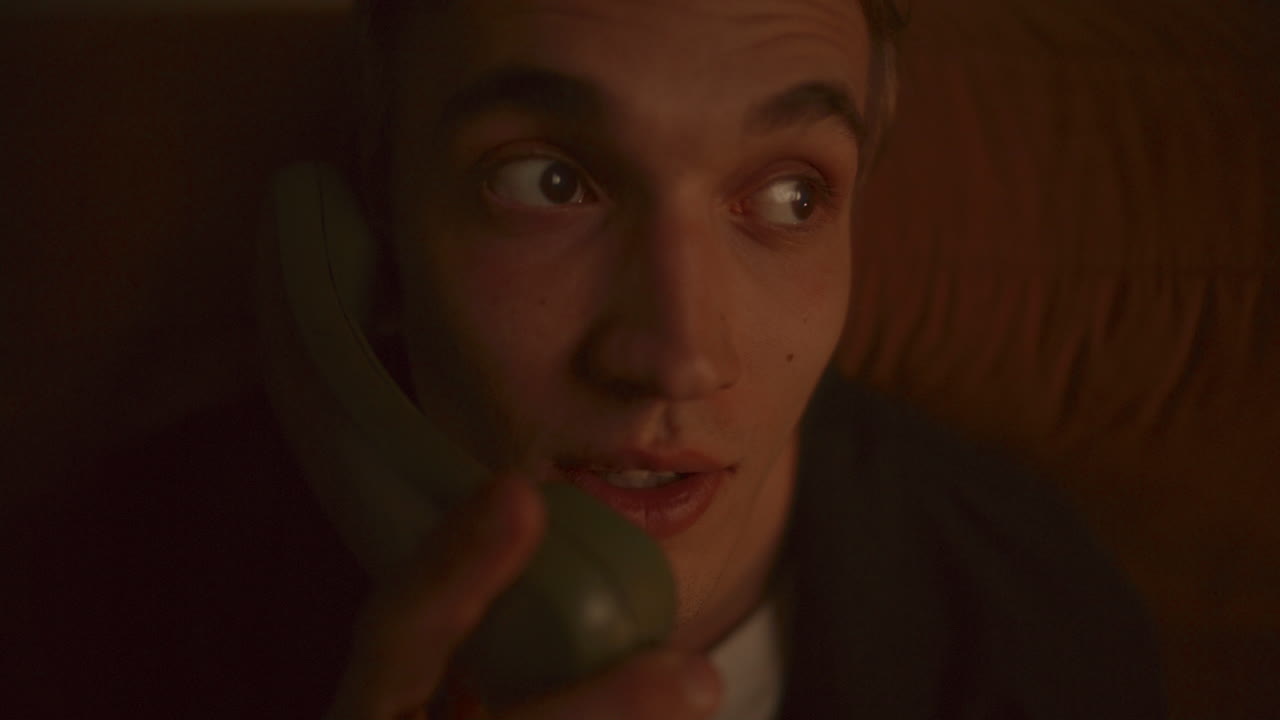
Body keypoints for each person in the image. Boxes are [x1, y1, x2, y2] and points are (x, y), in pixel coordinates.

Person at [7, 1, 1166, 718]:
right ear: (377, 204)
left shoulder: (1038, 623)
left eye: (787, 192)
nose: (673, 357)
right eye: (545, 182)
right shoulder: (92, 614)